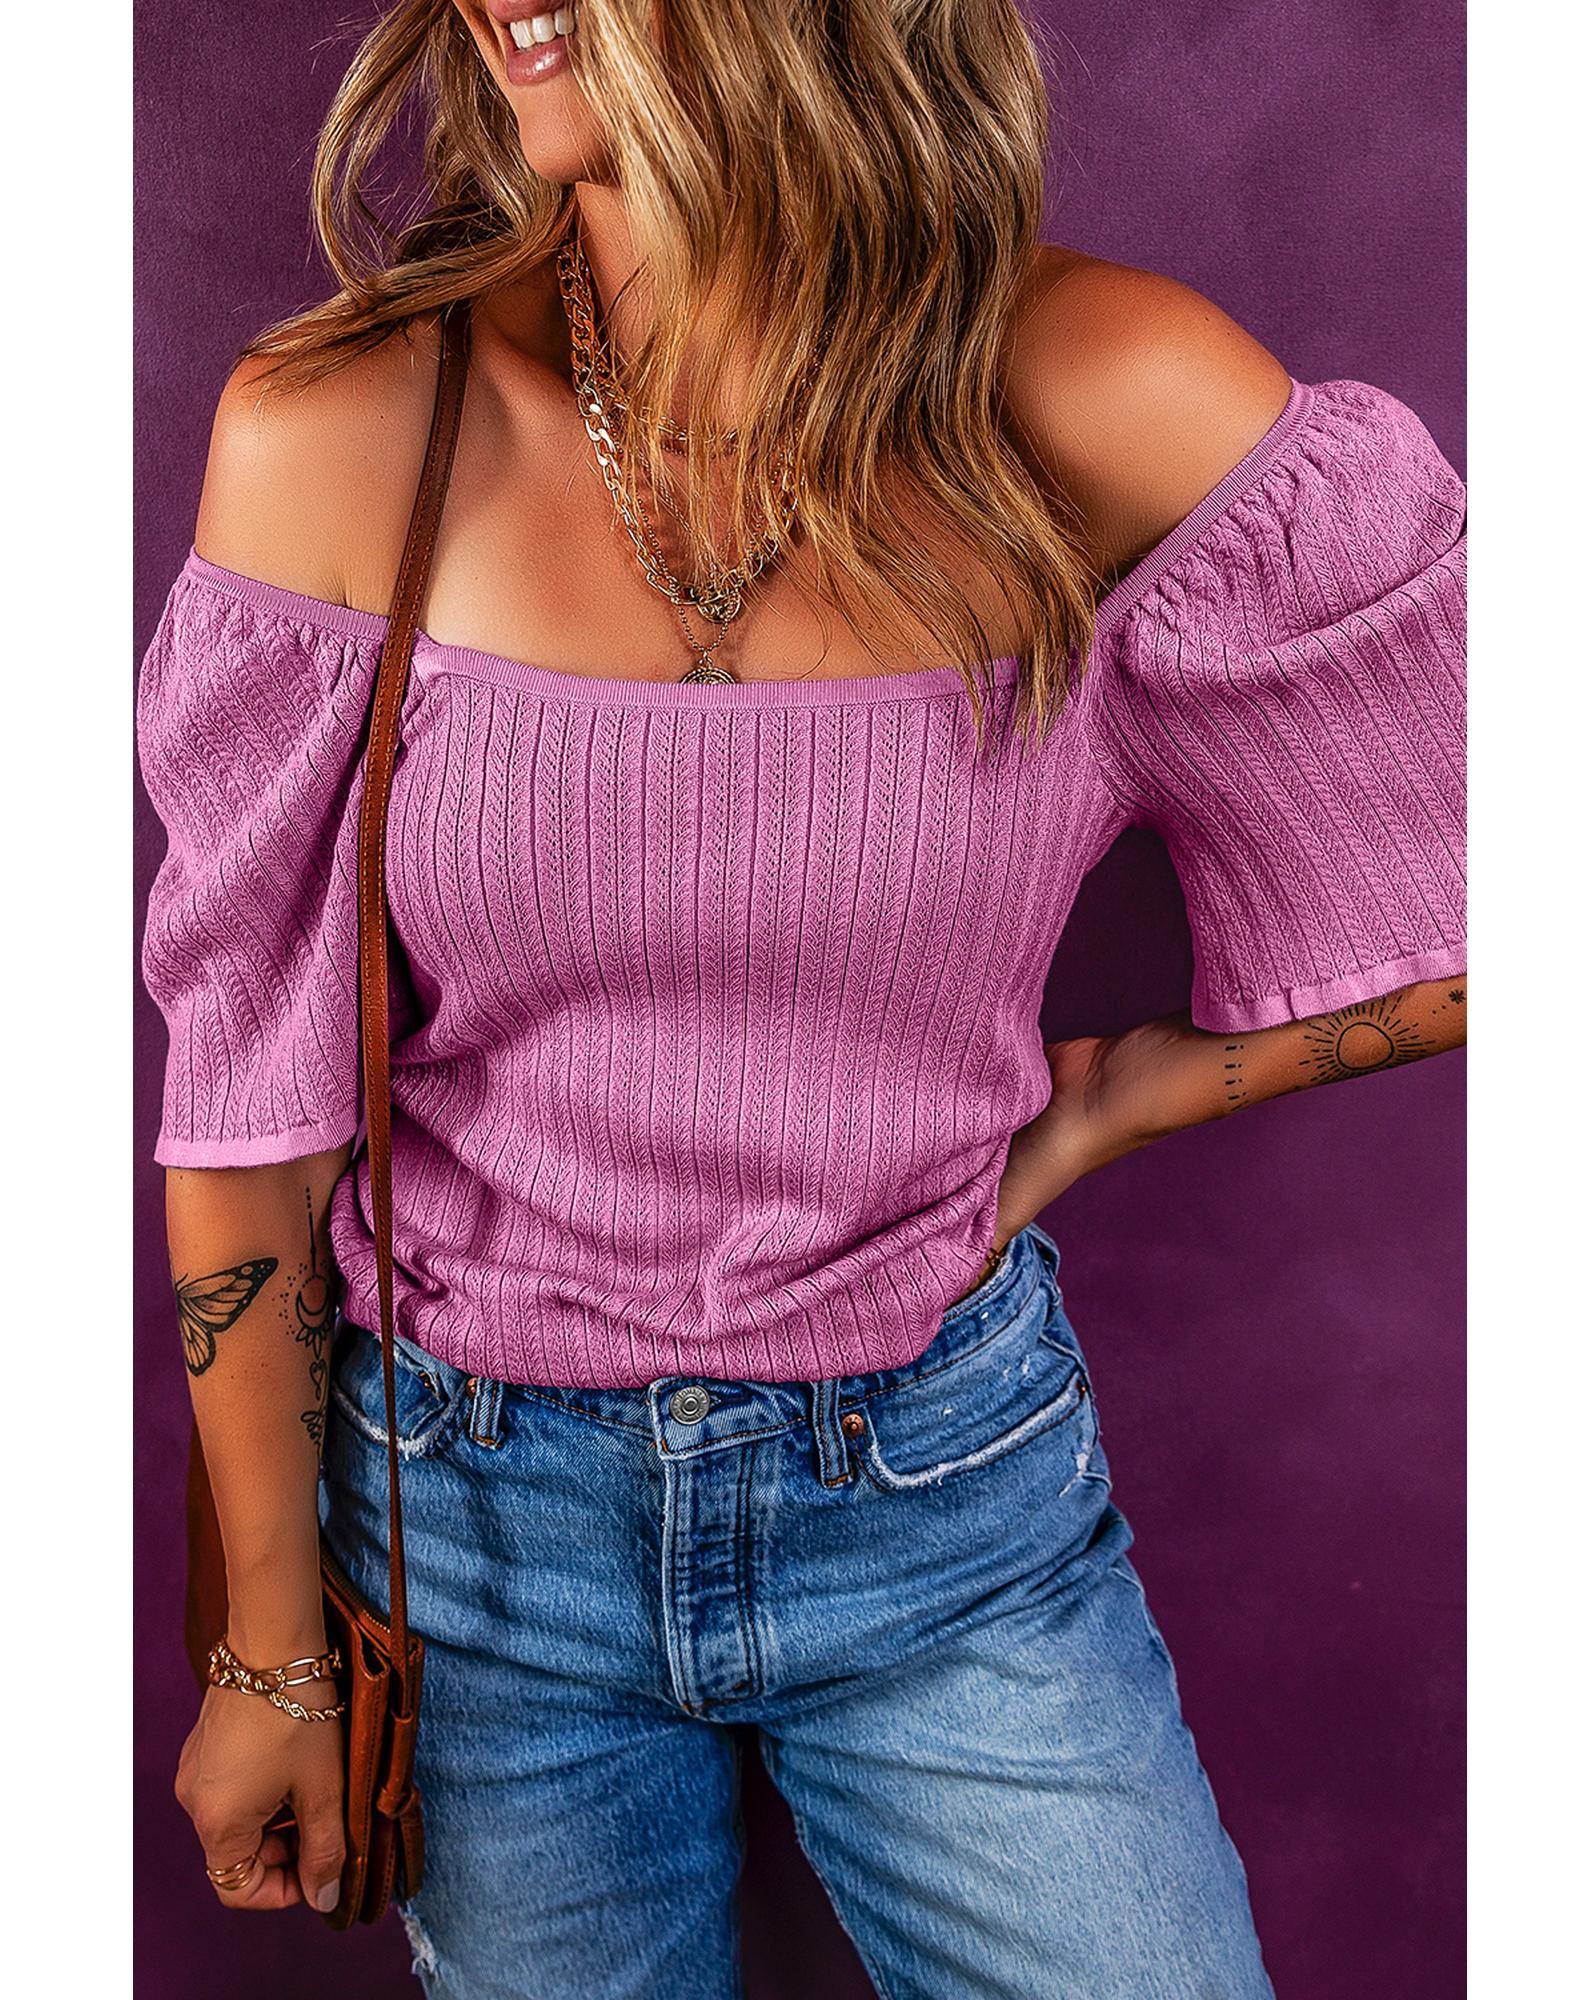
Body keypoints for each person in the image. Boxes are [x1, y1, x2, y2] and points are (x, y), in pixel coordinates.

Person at [137, 3, 1466, 1995]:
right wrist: (269, 1654)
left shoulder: (1101, 392)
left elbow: (1469, 901)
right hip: (473, 1529)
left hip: (943, 1501)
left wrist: (1115, 1100)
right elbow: (251, 1121)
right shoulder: (344, 433)